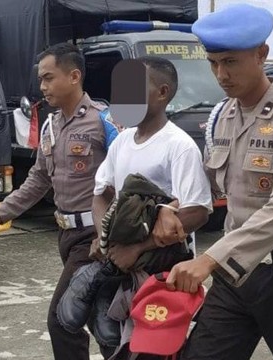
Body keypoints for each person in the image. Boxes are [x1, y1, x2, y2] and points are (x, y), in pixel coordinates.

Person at [166, 4, 273, 360]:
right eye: (213, 63)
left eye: (230, 62)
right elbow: (213, 185)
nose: (220, 74)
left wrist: (210, 260)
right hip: (234, 278)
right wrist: (172, 208)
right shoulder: (220, 117)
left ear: (261, 55)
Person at [0, 43, 119, 360]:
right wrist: (0, 214)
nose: (42, 86)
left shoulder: (104, 121)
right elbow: (39, 181)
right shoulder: (50, 126)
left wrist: (107, 235)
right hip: (67, 237)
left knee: (61, 319)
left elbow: (125, 181)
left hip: (94, 239)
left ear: (74, 76)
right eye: (41, 79)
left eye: (48, 77)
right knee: (101, 319)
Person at [90, 57, 212, 359]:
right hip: (120, 267)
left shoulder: (178, 146)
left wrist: (138, 248)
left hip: (162, 273)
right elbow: (101, 193)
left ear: (163, 92)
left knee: (153, 351)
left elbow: (198, 211)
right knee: (110, 340)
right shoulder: (122, 142)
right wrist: (104, 239)